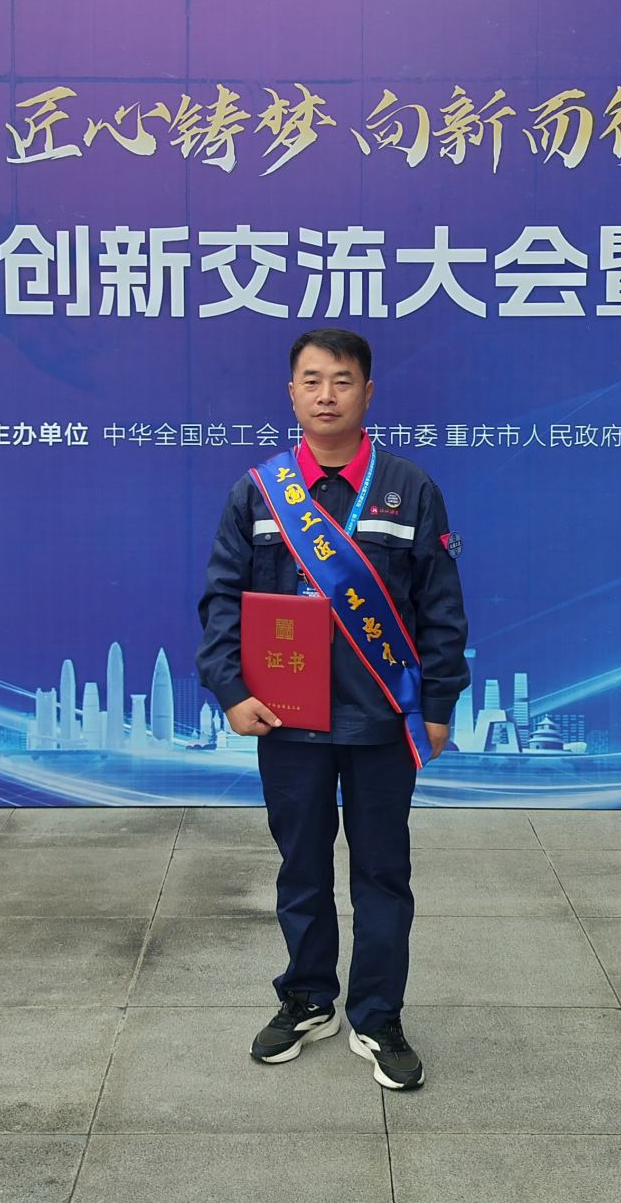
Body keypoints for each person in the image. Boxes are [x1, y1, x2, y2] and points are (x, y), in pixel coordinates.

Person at [195, 327, 469, 1090]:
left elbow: (441, 608)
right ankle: (308, 996)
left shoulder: (410, 488)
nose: (326, 395)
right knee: (302, 869)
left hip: (381, 720)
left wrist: (437, 703)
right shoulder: (259, 492)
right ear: (291, 393)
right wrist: (231, 689)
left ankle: (378, 1015)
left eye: (342, 380)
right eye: (311, 380)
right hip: (287, 720)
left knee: (382, 873)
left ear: (367, 392)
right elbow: (221, 600)